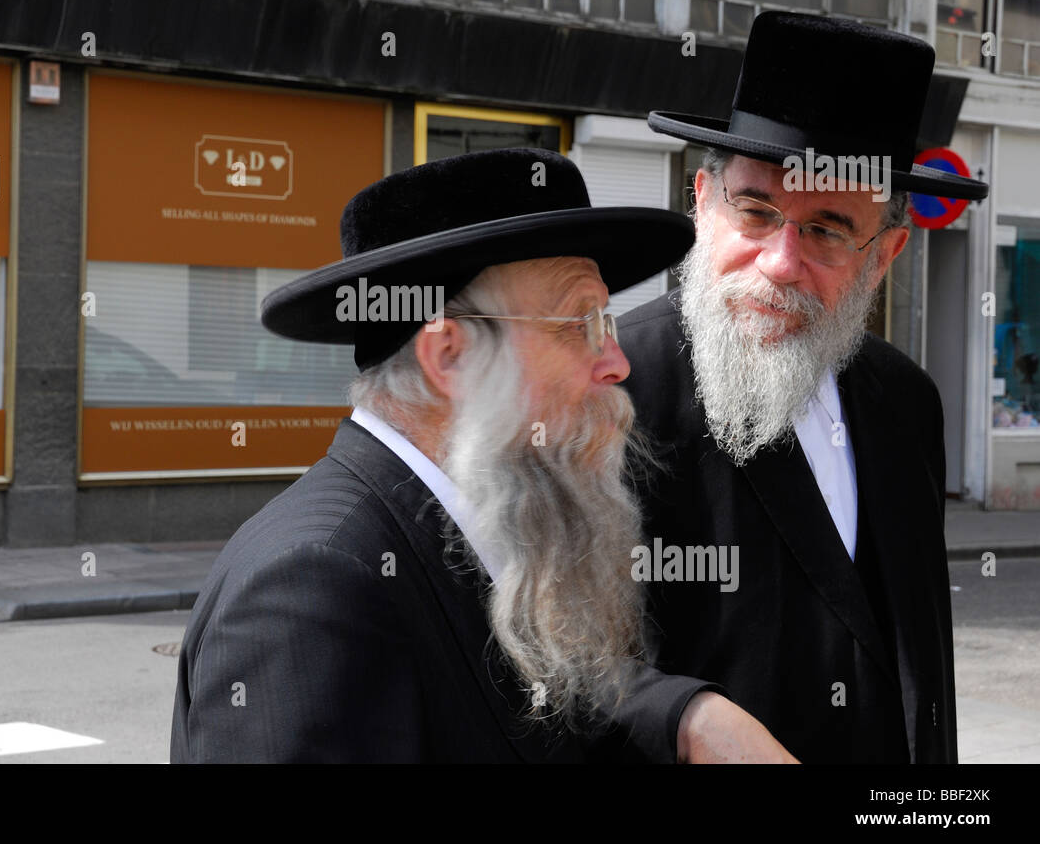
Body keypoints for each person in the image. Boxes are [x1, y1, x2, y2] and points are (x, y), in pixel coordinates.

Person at [170, 147, 793, 762]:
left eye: (608, 321)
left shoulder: (474, 528)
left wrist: (689, 720)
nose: (619, 362)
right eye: (580, 324)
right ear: (451, 358)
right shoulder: (314, 588)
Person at [618, 11, 988, 763]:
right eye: (755, 211)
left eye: (824, 229)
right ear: (701, 202)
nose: (780, 262)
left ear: (883, 255)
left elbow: (919, 663)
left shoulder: (907, 401)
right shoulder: (611, 387)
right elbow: (538, 659)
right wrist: (682, 718)